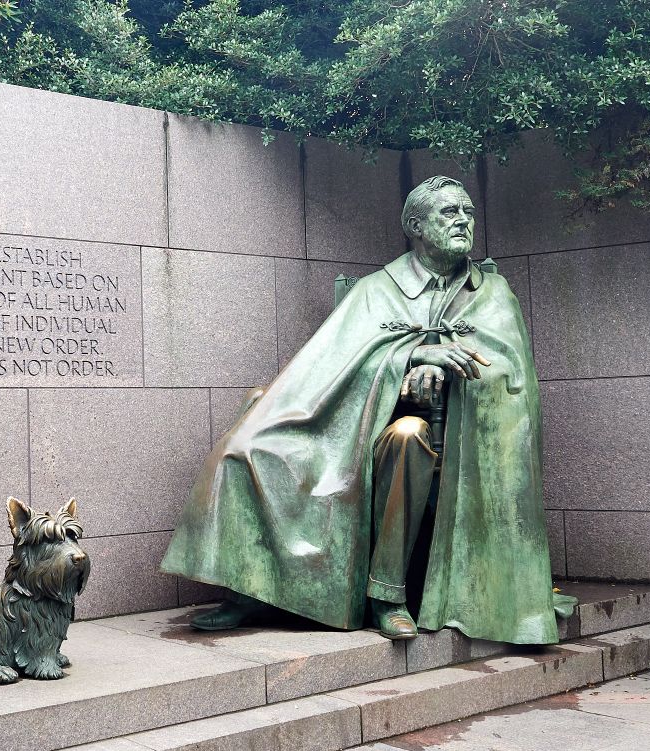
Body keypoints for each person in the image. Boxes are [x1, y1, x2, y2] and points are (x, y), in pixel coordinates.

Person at [161, 176, 574, 644]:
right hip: (347, 420)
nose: (463, 220)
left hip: (433, 429)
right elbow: (327, 364)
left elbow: (508, 372)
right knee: (244, 447)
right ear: (414, 226)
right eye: (449, 213)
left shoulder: (491, 291)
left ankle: (387, 595)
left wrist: (446, 374)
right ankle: (249, 588)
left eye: (467, 212)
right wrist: (410, 359)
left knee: (408, 436)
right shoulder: (377, 289)